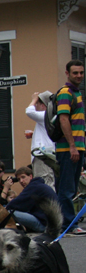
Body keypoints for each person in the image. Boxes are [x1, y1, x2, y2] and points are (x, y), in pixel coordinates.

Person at [53, 59, 85, 232]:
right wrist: (72, 146)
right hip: (68, 149)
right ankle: (68, 224)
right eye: (75, 73)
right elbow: (63, 119)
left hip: (77, 147)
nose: (79, 75)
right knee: (66, 188)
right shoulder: (66, 93)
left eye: (81, 72)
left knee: (70, 188)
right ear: (67, 74)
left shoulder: (76, 93)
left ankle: (67, 223)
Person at [4, 166, 58, 233]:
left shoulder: (33, 187)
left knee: (8, 212)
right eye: (19, 179)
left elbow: (17, 202)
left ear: (31, 176)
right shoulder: (39, 186)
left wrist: (4, 209)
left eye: (23, 177)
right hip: (53, 225)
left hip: (44, 226)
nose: (21, 181)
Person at [26, 91, 56, 189]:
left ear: (43, 105)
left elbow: (29, 111)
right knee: (45, 182)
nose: (35, 106)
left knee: (45, 183)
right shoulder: (50, 117)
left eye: (37, 104)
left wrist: (34, 99)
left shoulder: (45, 115)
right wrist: (34, 134)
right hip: (46, 154)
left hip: (42, 155)